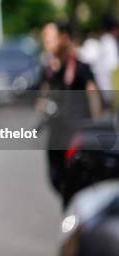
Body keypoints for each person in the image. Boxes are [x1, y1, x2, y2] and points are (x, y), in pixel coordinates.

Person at [39, 21, 101, 196]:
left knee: (77, 180)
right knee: (56, 178)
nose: (47, 43)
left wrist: (95, 125)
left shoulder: (80, 67)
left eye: (50, 38)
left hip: (77, 135)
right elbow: (43, 93)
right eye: (45, 39)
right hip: (56, 135)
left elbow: (93, 93)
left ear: (64, 38)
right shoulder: (48, 69)